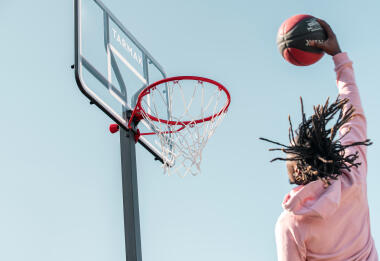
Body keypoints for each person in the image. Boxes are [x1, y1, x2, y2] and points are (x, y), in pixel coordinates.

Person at [260, 19, 378, 260]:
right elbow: (352, 110)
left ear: (296, 172)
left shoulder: (291, 223)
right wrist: (338, 57)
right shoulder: (352, 176)